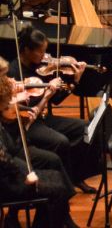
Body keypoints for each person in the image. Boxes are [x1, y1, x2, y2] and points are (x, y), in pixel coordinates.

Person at [6, 27, 99, 185]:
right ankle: (62, 182)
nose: (45, 56)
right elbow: (25, 111)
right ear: (27, 50)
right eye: (40, 52)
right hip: (27, 123)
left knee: (86, 128)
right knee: (60, 141)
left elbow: (56, 100)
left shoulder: (41, 68)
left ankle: (76, 175)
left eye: (45, 51)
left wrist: (75, 80)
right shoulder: (14, 72)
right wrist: (48, 92)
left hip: (43, 119)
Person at [0, 59, 76, 228]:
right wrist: (25, 177)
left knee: (56, 173)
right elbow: (5, 157)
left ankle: (58, 218)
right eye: (4, 77)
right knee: (57, 189)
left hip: (9, 163)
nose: (11, 80)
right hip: (6, 180)